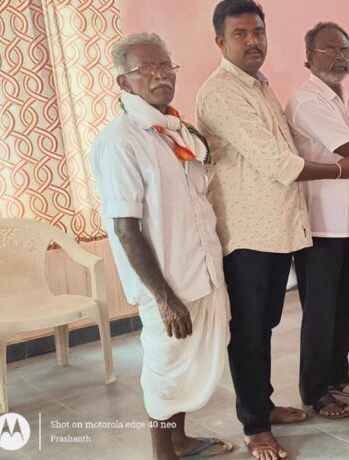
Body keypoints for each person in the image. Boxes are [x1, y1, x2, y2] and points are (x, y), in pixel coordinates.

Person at [195, 1, 349, 458]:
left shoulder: (259, 86)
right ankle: (255, 426)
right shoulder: (221, 92)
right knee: (250, 331)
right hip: (246, 231)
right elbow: (278, 162)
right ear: (220, 41)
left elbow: (284, 151)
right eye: (240, 34)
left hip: (277, 227)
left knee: (267, 324)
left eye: (258, 32)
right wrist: (338, 170)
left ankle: (265, 405)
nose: (253, 41)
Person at [91, 32, 232, 459]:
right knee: (165, 370)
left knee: (184, 366)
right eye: (147, 68)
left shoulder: (175, 130)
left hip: (199, 269)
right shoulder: (120, 140)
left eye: (166, 65)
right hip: (165, 282)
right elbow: (125, 227)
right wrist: (164, 298)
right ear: (124, 82)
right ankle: (162, 453)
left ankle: (180, 440)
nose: (161, 75)